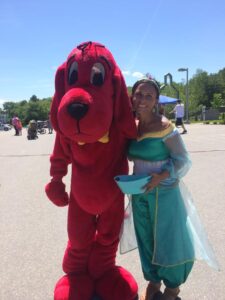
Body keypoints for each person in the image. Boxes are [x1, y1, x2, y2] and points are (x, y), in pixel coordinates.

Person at [126, 78, 218, 300]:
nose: (142, 100)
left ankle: (173, 288)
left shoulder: (166, 127)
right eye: (139, 94)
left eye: (149, 96)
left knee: (170, 241)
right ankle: (153, 280)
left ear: (156, 101)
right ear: (132, 97)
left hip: (164, 195)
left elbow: (183, 161)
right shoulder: (131, 126)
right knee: (146, 240)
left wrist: (162, 176)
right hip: (139, 195)